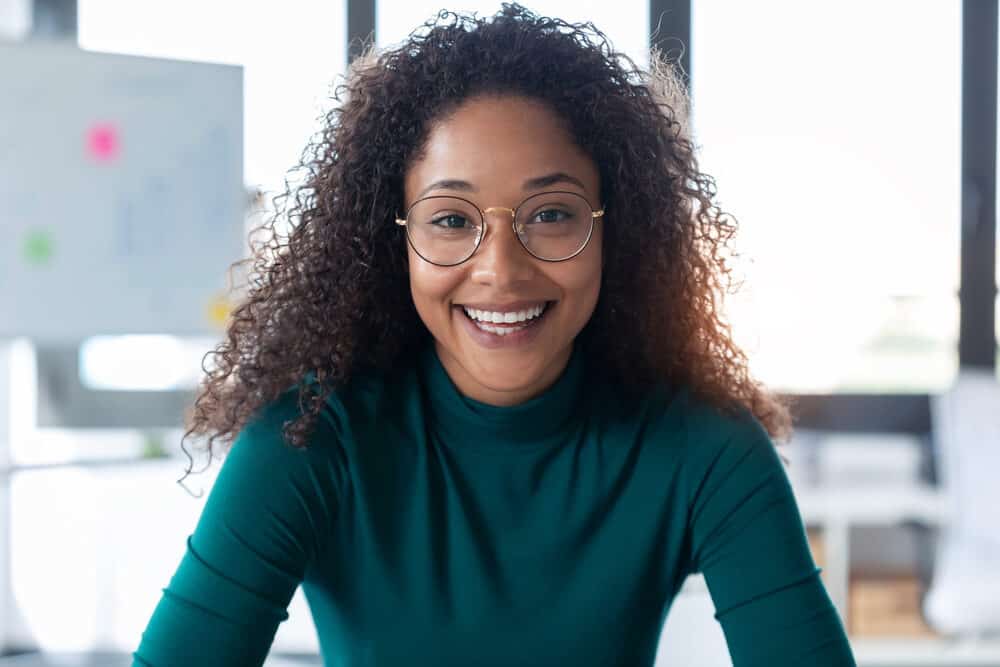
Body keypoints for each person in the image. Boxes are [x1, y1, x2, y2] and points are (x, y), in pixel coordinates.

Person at [132, 4, 857, 665]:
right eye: (451, 220)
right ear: (396, 241)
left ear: (615, 229)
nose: (501, 270)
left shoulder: (704, 448)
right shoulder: (310, 439)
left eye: (551, 214)